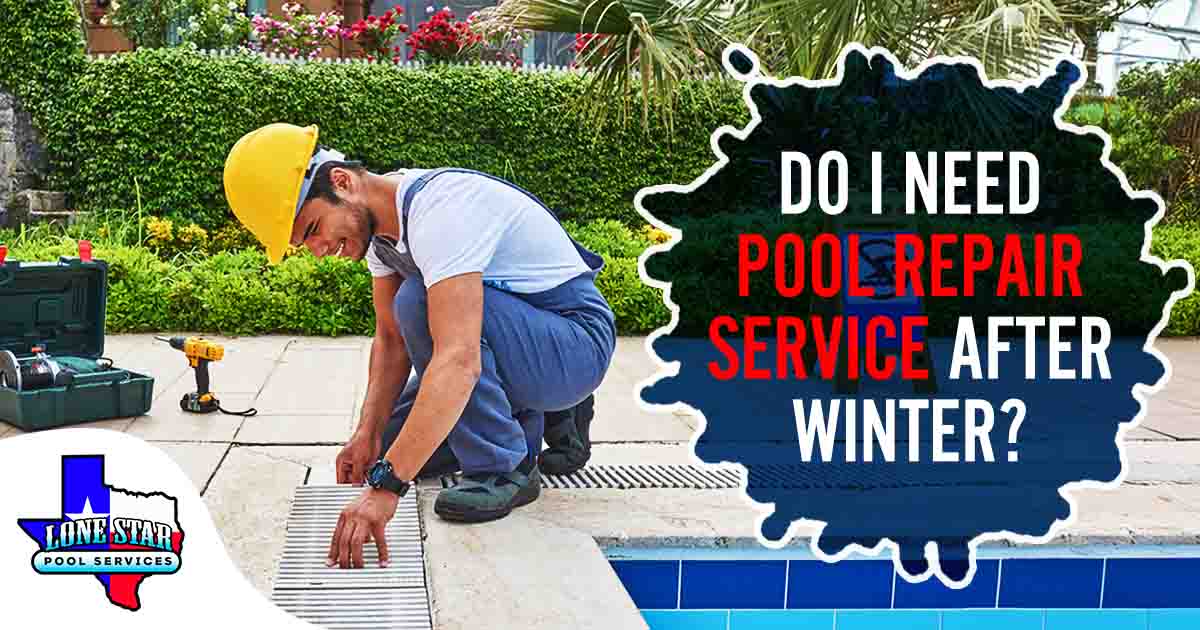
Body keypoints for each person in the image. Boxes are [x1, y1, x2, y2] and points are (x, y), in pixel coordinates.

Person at [223, 123, 615, 569]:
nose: (318, 248)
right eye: (304, 243)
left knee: (417, 300)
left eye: (313, 228)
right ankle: (540, 409)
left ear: (342, 181)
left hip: (576, 340)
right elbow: (391, 341)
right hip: (528, 333)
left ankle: (506, 464)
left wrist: (387, 489)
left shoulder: (441, 212)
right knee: (391, 443)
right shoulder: (381, 231)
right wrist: (367, 435)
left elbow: (458, 360)